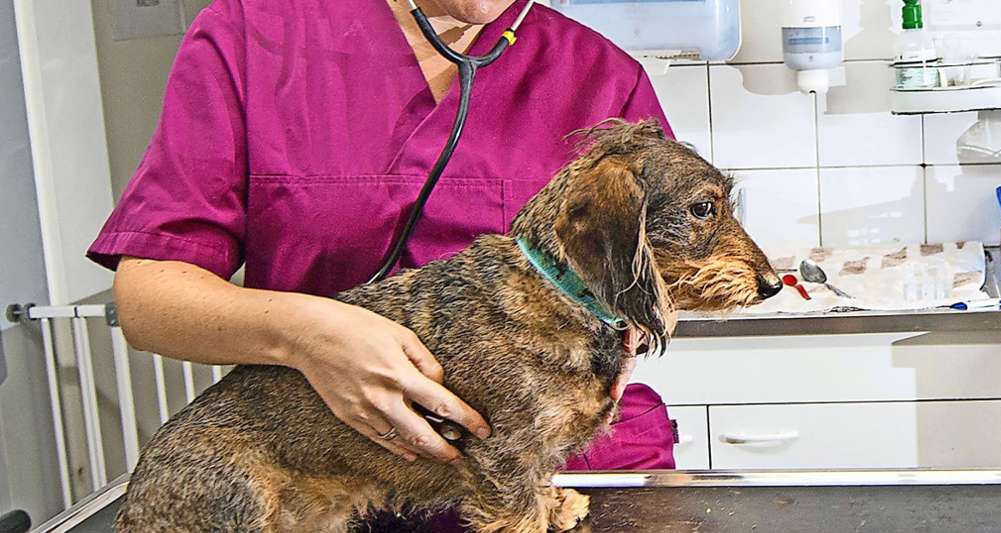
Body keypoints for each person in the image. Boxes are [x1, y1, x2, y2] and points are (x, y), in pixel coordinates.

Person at [87, 0, 678, 469]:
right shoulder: (250, 36)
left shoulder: (601, 77)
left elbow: (673, 260)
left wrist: (646, 307)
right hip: (335, 474)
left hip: (559, 468)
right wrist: (305, 335)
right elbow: (149, 300)